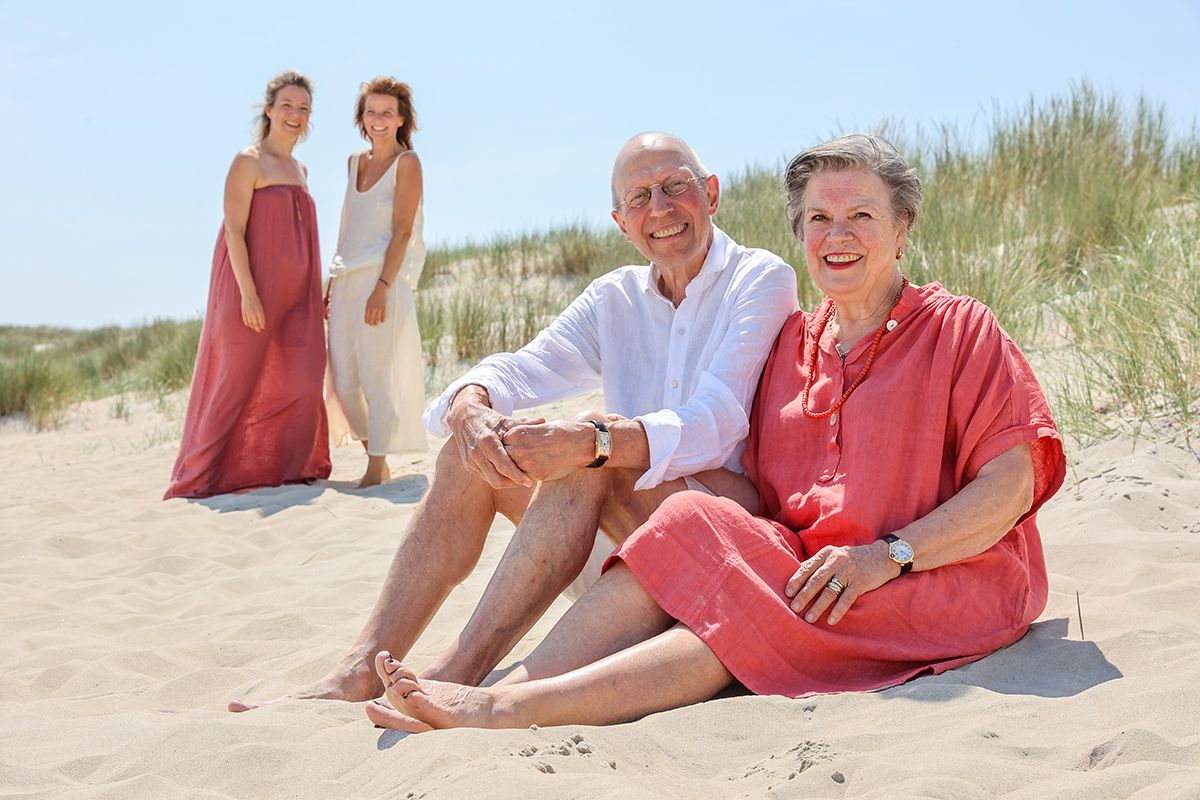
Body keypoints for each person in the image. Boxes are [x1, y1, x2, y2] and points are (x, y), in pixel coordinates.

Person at [363, 133, 1067, 732]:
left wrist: (887, 556)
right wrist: (639, 486)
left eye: (861, 215)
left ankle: (507, 706)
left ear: (903, 227)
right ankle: (489, 692)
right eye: (818, 218)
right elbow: (759, 488)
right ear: (800, 234)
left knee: (744, 613)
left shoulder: (959, 328)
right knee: (698, 528)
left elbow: (1010, 486)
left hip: (932, 576)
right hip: (811, 573)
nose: (837, 234)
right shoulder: (796, 346)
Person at [227, 132, 799, 712]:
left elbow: (718, 421)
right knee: (467, 453)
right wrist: (471, 403)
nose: (660, 208)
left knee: (590, 458)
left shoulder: (761, 278)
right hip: (618, 535)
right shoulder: (614, 297)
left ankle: (459, 670)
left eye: (676, 186)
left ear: (712, 194)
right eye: (639, 197)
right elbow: (526, 367)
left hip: (722, 539)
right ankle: (359, 669)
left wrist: (593, 440)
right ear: (620, 222)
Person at [165, 71, 330, 500]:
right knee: (231, 385)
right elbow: (234, 231)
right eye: (288, 105)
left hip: (298, 297)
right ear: (270, 110)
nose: (295, 114)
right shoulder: (248, 161)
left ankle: (289, 469)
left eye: (303, 108)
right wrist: (249, 293)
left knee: (305, 378)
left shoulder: (300, 168)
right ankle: (196, 481)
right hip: (248, 294)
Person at [325, 77, 427, 488]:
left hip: (382, 281)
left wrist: (383, 286)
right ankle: (375, 454)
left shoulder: (409, 163)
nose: (378, 120)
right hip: (344, 279)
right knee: (344, 381)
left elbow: (402, 231)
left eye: (387, 112)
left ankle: (375, 467)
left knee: (376, 376)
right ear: (362, 118)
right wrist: (328, 284)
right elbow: (347, 226)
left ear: (401, 119)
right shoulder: (354, 162)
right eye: (371, 112)